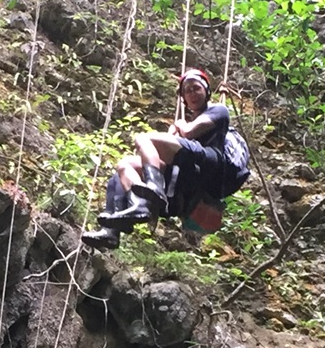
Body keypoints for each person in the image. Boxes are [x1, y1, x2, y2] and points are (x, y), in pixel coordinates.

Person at [82, 68, 233, 248]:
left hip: (206, 163)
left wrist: (179, 127)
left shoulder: (218, 110)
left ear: (206, 91)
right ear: (183, 97)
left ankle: (154, 190)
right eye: (187, 90)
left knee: (143, 139)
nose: (192, 93)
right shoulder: (188, 121)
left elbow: (189, 131)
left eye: (196, 88)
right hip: (183, 172)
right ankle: (115, 227)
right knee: (123, 167)